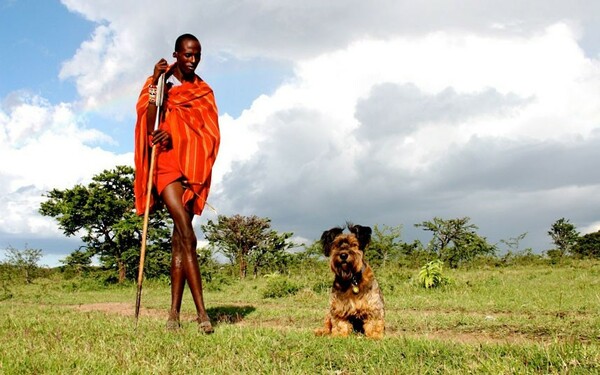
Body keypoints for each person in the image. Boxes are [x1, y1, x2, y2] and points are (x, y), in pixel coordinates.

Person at [134, 33, 220, 333]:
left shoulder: (203, 92)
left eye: (197, 54)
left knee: (178, 243)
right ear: (176, 54)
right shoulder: (160, 84)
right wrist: (156, 83)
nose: (192, 60)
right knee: (188, 235)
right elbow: (147, 123)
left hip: (190, 170)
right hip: (166, 167)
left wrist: (177, 136)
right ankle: (202, 314)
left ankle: (173, 314)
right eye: (187, 54)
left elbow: (210, 135)